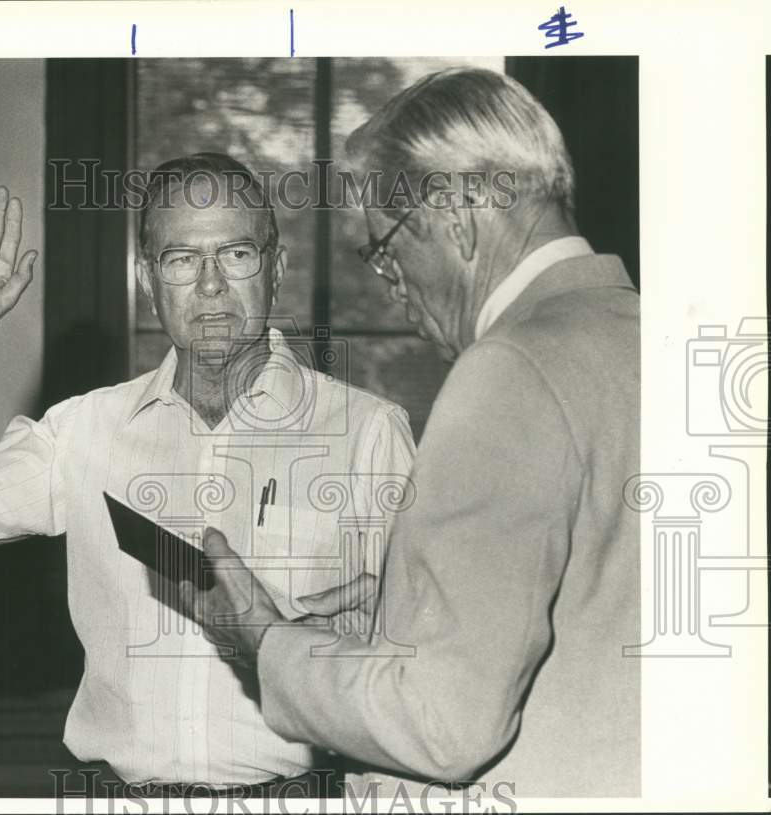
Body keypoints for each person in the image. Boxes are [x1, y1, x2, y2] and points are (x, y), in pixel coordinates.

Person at [0, 152, 415, 796]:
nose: (211, 285)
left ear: (276, 269)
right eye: (182, 259)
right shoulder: (85, 430)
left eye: (237, 254)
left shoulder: (366, 432)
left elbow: (424, 662)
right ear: (147, 278)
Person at [183, 68, 641, 799]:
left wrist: (267, 645)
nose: (392, 288)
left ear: (456, 213)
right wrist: (390, 620)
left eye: (386, 249)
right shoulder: (653, 336)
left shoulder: (509, 368)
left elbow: (445, 724)